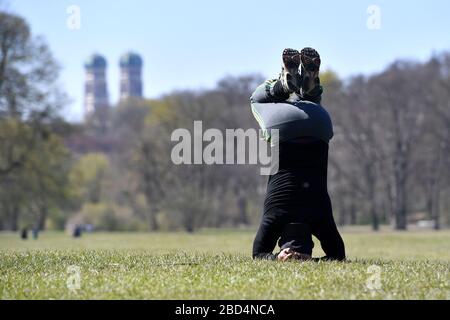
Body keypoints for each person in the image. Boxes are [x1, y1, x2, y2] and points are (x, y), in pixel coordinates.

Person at [251, 48, 346, 262]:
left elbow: (338, 255)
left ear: (312, 242)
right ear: (281, 238)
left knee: (309, 108)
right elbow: (258, 255)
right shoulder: (274, 218)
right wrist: (276, 257)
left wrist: (310, 260)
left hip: (319, 123)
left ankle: (309, 88)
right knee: (255, 101)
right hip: (284, 127)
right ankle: (284, 85)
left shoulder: (320, 219)